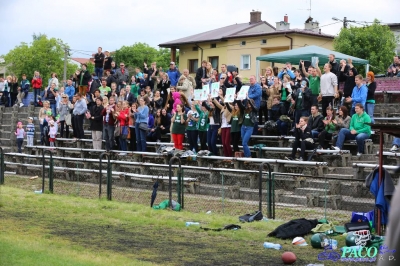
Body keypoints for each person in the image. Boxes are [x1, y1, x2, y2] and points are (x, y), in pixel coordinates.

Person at [213, 90, 232, 157]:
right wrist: (213, 98)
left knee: (227, 142)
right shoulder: (223, 108)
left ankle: (230, 156)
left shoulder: (231, 108)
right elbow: (218, 104)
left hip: (228, 126)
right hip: (223, 127)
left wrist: (221, 96)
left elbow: (226, 103)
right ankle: (226, 156)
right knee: (223, 143)